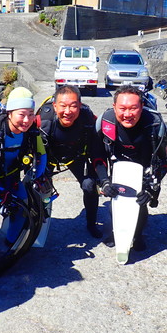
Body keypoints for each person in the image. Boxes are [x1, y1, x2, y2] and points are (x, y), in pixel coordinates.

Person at [0, 87, 47, 262]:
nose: (26, 120)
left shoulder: (31, 130)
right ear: (9, 113)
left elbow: (42, 155)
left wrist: (38, 176)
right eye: (21, 114)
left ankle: (12, 241)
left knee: (23, 206)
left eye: (30, 114)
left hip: (11, 177)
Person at [95, 85, 167, 251]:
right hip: (118, 166)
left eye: (133, 108)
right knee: (117, 200)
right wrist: (104, 182)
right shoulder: (106, 122)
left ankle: (137, 234)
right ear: (114, 107)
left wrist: (151, 188)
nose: (127, 114)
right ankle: (117, 232)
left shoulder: (154, 125)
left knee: (140, 203)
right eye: (122, 108)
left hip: (145, 168)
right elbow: (97, 156)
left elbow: (165, 159)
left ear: (141, 107)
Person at [37, 85, 102, 239]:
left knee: (90, 186)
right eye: (63, 106)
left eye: (73, 106)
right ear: (54, 106)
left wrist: (101, 176)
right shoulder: (42, 119)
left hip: (76, 156)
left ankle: (91, 224)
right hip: (49, 158)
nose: (68, 111)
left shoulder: (88, 118)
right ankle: (36, 223)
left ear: (79, 106)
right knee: (37, 188)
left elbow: (99, 144)